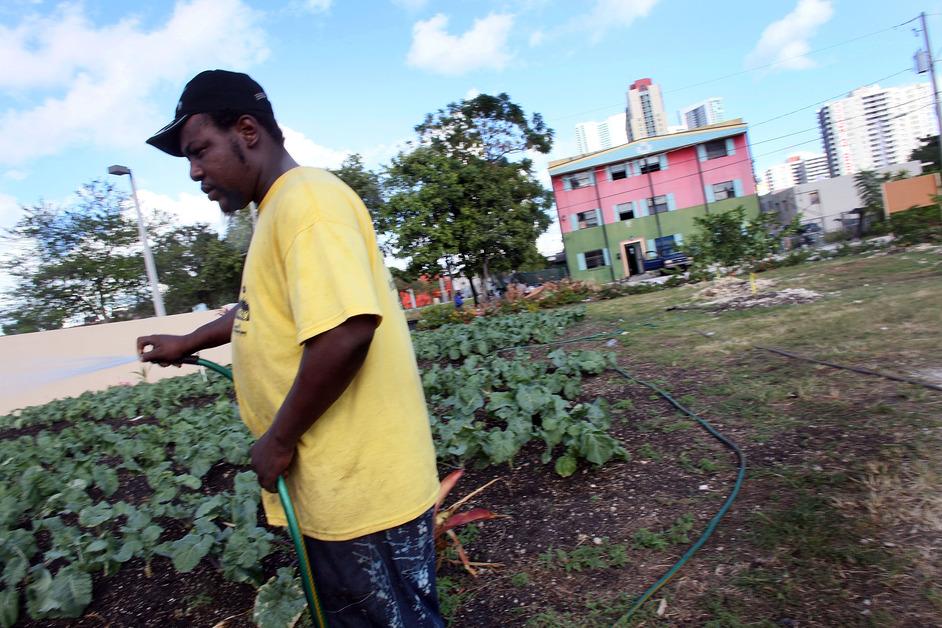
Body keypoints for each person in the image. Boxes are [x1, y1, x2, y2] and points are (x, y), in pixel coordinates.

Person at [136, 70, 443, 627]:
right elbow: (259, 312)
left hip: (360, 493)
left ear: (247, 130)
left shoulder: (308, 204)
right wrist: (188, 342)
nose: (194, 172)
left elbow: (346, 331)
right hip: (342, 486)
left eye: (200, 150)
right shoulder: (279, 209)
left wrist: (278, 441)